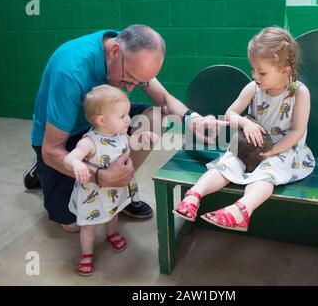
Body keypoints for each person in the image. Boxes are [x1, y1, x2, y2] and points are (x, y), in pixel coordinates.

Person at [27, 24, 228, 233]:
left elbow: (164, 100)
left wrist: (192, 118)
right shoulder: (70, 71)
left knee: (156, 117)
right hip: (66, 135)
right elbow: (51, 150)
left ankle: (119, 187)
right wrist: (100, 176)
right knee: (73, 225)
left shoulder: (131, 51)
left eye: (140, 82)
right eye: (128, 79)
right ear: (114, 52)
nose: (131, 87)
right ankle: (43, 174)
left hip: (107, 120)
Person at [172, 27, 315, 231]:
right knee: (229, 161)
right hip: (250, 146)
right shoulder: (253, 88)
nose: (255, 75)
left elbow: (296, 132)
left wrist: (273, 151)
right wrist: (245, 123)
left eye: (262, 71)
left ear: (285, 70)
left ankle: (241, 211)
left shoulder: (299, 93)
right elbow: (231, 114)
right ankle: (194, 195)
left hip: (285, 151)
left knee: (267, 172)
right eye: (252, 69)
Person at [64, 85, 158, 276]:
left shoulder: (120, 133)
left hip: (114, 189)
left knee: (113, 213)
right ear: (101, 120)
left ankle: (112, 233)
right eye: (122, 116)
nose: (128, 119)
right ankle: (86, 254)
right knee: (89, 226)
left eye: (128, 114)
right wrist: (77, 164)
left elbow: (129, 142)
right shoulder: (89, 142)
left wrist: (142, 136)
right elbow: (69, 158)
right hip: (94, 194)